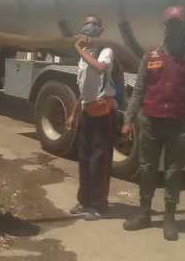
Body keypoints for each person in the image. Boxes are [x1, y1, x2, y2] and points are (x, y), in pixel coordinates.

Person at [121, 6, 185, 241]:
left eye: (178, 25)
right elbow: (139, 90)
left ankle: (169, 217)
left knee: (173, 173)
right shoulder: (151, 56)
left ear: (184, 28)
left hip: (179, 126)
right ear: (165, 28)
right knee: (147, 169)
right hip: (150, 123)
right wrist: (128, 119)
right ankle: (144, 213)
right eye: (170, 25)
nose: (174, 30)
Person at [67, 14, 116, 221]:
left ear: (101, 30)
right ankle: (84, 201)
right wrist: (73, 113)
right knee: (84, 158)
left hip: (102, 110)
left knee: (99, 159)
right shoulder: (84, 54)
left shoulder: (106, 50)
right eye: (86, 23)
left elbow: (100, 68)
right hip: (87, 110)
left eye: (94, 23)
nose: (89, 26)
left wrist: (79, 49)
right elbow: (83, 87)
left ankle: (98, 205)